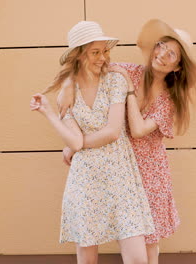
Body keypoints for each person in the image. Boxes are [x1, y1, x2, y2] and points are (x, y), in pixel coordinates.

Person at [58, 19, 196, 264]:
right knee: (104, 234)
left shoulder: (168, 101)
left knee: (148, 246)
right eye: (161, 46)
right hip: (118, 167)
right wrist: (66, 86)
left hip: (149, 174)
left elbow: (137, 130)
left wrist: (128, 90)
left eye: (172, 54)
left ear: (178, 66)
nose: (162, 55)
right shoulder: (129, 71)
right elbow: (88, 67)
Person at [30, 21, 154, 264]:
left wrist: (74, 144)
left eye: (105, 50)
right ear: (79, 56)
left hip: (120, 176)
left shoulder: (113, 81)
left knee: (137, 257)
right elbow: (74, 142)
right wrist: (49, 114)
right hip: (86, 178)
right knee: (87, 258)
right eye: (95, 52)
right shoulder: (68, 92)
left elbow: (112, 132)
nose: (103, 58)